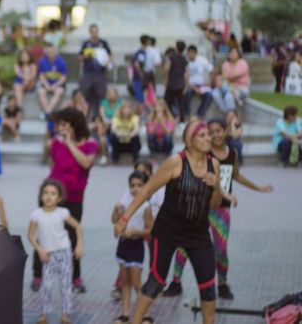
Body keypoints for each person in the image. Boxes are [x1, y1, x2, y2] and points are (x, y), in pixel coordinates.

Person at [114, 122, 224, 324]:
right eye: (201, 135)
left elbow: (215, 204)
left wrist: (216, 185)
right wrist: (124, 218)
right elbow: (147, 190)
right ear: (189, 141)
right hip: (168, 231)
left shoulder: (215, 165)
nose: (207, 138)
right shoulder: (176, 162)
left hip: (198, 233)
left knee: (208, 287)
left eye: (208, 135)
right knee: (156, 282)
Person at [163, 119, 273, 300]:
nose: (215, 135)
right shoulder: (204, 154)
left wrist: (258, 188)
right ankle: (175, 283)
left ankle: (222, 284)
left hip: (221, 209)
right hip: (198, 208)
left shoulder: (232, 154)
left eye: (218, 131)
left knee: (221, 249)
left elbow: (236, 176)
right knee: (183, 246)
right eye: (210, 132)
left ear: (226, 131)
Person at [34, 107, 97, 293]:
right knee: (44, 234)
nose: (59, 127)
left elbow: (85, 163)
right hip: (51, 196)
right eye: (58, 124)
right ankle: (37, 275)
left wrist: (70, 143)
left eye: (63, 124)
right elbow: (52, 164)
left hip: (75, 197)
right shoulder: (55, 143)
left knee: (72, 237)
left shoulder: (90, 144)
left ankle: (75, 277)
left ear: (73, 124)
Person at [29, 179, 84, 324]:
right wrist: (39, 249)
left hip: (64, 252)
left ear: (59, 198)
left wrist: (79, 245)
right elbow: (30, 235)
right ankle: (44, 313)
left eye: (53, 194)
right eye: (46, 193)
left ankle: (65, 314)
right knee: (46, 285)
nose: (49, 196)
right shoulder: (36, 214)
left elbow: (77, 226)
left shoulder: (63, 213)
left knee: (66, 285)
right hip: (47, 254)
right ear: (41, 196)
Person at [110, 171, 154, 324]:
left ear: (146, 187)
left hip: (136, 246)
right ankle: (125, 313)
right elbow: (114, 220)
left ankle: (146, 314)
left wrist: (135, 232)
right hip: (123, 245)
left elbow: (151, 229)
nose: (135, 189)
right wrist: (116, 211)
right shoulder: (124, 202)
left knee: (136, 282)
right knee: (125, 281)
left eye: (139, 186)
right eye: (132, 185)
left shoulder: (146, 207)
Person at [79, 24, 112, 120]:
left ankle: (98, 116)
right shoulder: (86, 44)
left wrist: (106, 62)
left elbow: (109, 55)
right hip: (88, 73)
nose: (94, 33)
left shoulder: (103, 43)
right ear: (90, 32)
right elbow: (80, 56)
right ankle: (85, 115)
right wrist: (86, 56)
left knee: (101, 95)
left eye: (96, 31)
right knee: (85, 93)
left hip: (100, 74)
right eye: (92, 31)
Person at [212, 47, 250, 112]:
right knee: (215, 93)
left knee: (228, 96)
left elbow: (234, 75)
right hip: (227, 86)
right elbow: (223, 76)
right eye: (231, 53)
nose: (232, 54)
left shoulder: (243, 63)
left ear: (238, 54)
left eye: (234, 53)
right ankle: (226, 112)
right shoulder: (225, 64)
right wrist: (224, 78)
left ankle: (231, 114)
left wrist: (225, 77)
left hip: (241, 88)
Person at [37, 44, 68, 117]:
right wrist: (46, 85)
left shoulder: (61, 62)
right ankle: (48, 112)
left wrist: (55, 85)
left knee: (59, 91)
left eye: (52, 52)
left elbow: (63, 77)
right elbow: (41, 75)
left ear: (55, 52)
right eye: (49, 52)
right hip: (46, 84)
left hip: (57, 84)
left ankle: (47, 111)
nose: (50, 53)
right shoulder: (42, 61)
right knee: (40, 91)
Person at [184, 45, 214, 118]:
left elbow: (212, 71)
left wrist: (209, 82)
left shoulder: (202, 60)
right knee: (187, 94)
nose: (190, 55)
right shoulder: (185, 62)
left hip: (202, 85)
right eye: (189, 53)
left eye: (192, 53)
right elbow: (185, 79)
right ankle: (187, 114)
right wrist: (195, 88)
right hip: (190, 85)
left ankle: (200, 114)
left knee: (209, 95)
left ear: (195, 53)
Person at [97, 86, 123, 166]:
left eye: (112, 93)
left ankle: (109, 145)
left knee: (110, 124)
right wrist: (106, 121)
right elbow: (102, 115)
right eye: (108, 93)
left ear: (116, 95)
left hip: (117, 123)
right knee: (101, 130)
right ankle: (104, 155)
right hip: (106, 123)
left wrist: (109, 123)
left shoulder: (120, 102)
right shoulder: (103, 102)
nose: (110, 95)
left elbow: (117, 116)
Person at [164, 40, 188, 122]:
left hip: (171, 83)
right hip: (180, 84)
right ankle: (181, 119)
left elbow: (167, 69)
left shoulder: (171, 57)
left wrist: (166, 80)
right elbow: (186, 73)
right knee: (180, 103)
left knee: (166, 102)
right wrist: (186, 85)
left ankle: (169, 116)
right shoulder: (184, 59)